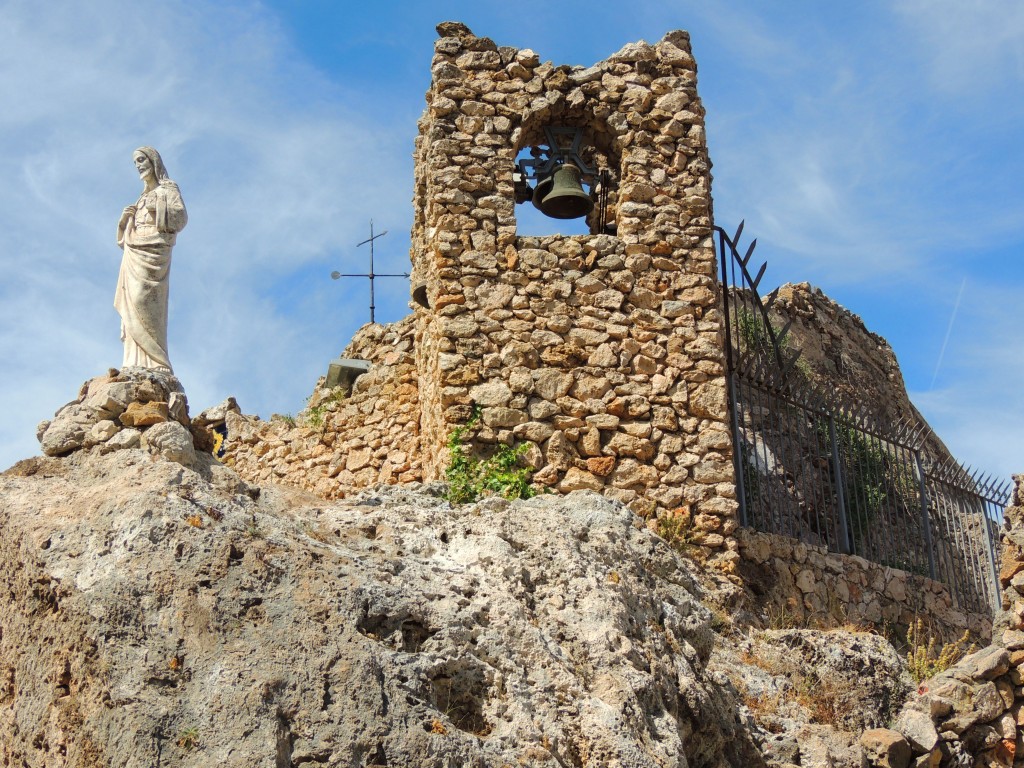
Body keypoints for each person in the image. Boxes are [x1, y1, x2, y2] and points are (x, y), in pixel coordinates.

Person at [114, 146, 187, 371]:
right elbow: (123, 237)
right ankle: (133, 361)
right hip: (134, 252)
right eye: (136, 162)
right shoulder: (141, 197)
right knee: (132, 302)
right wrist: (124, 221)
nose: (139, 165)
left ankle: (156, 361)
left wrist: (159, 206)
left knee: (147, 304)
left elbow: (181, 218)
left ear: (153, 162)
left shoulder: (167, 190)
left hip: (155, 252)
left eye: (142, 160)